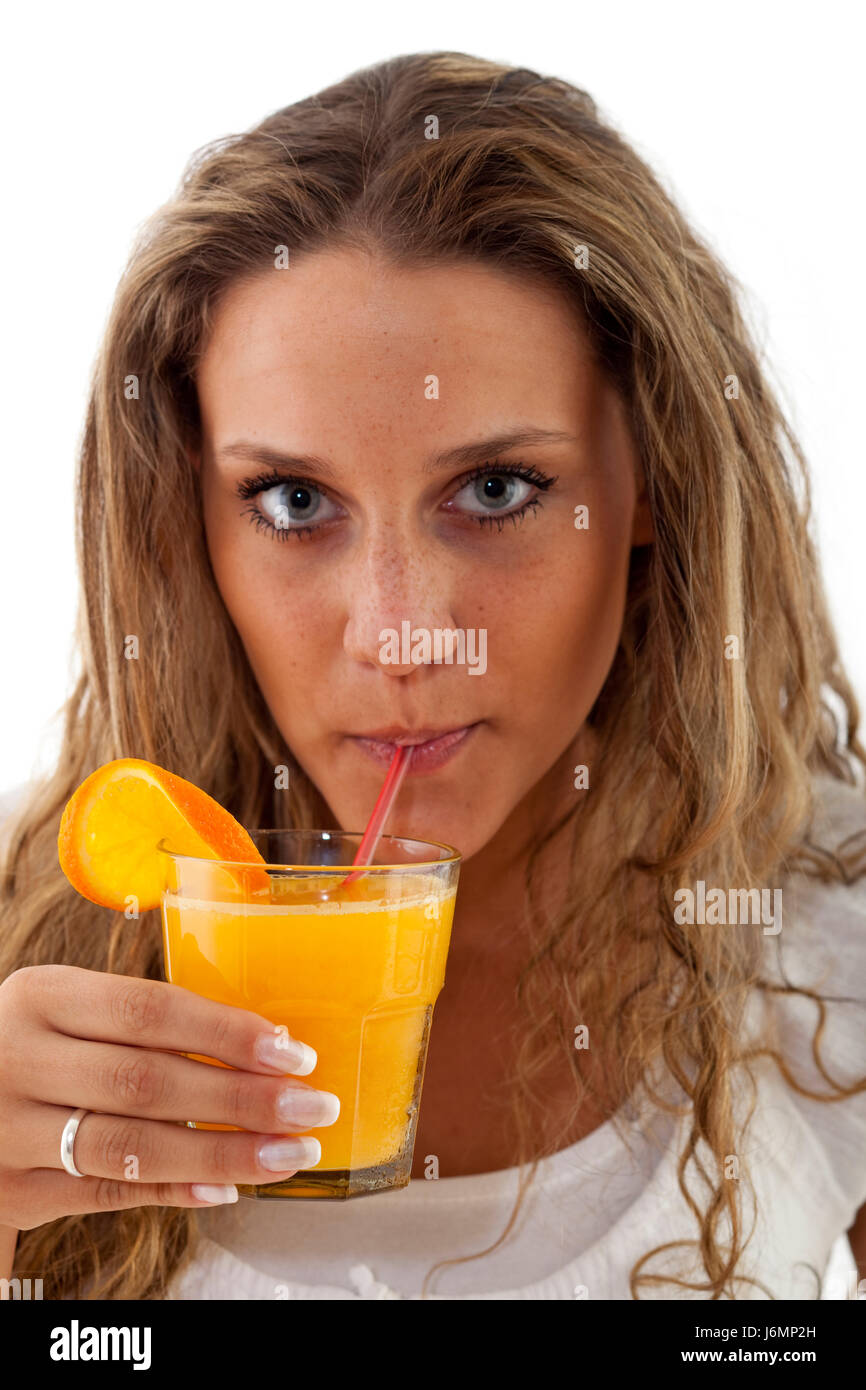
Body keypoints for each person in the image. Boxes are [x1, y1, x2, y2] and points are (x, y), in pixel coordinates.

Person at [1, 50, 864, 1301]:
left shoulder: (829, 942)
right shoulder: (18, 942)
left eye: (496, 490)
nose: (401, 637)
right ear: (188, 519)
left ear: (650, 484)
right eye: (293, 502)